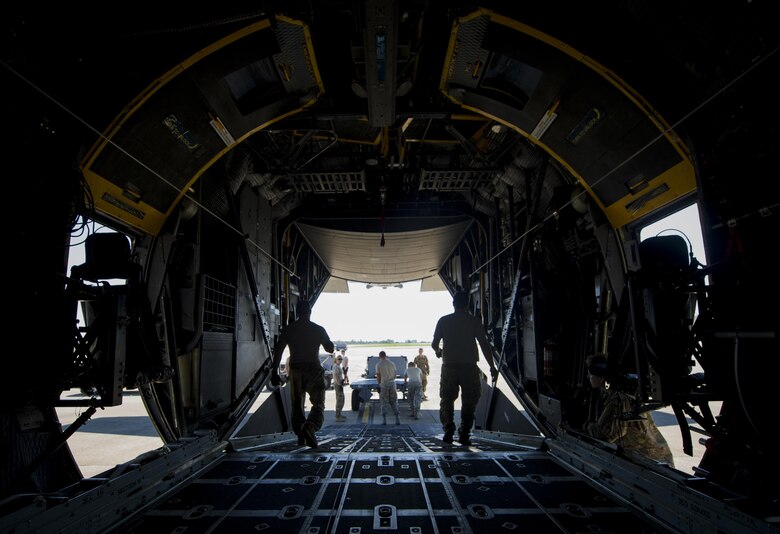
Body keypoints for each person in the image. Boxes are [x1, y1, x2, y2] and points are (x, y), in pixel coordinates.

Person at [431, 290, 498, 445]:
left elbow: (434, 344)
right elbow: (484, 345)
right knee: (470, 400)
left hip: (449, 367)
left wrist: (439, 352)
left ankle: (448, 429)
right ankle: (465, 433)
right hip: (469, 368)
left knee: (447, 399)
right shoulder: (473, 321)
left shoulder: (443, 321)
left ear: (453, 304)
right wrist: (492, 367)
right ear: (467, 305)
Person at [584, 355, 674, 465]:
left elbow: (604, 434)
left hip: (651, 462)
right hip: (647, 459)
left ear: (601, 378)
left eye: (591, 373)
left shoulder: (618, 400)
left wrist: (586, 425)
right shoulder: (617, 395)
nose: (588, 376)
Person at [271, 300, 335, 448]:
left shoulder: (289, 330)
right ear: (310, 312)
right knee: (318, 403)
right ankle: (310, 427)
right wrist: (328, 343)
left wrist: (274, 371)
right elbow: (330, 348)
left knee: (297, 406)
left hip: (295, 370)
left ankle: (301, 437)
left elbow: (278, 352)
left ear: (297, 311)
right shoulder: (318, 329)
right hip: (313, 368)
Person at [375, 350, 401, 425]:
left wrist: (379, 383)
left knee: (383, 402)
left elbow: (378, 375)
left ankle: (384, 420)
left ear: (379, 356)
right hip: (392, 383)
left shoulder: (378, 364)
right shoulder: (392, 363)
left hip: (384, 384)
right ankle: (397, 419)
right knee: (394, 401)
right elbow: (395, 374)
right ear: (385, 356)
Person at [332, 354, 347, 421]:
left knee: (342, 400)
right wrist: (339, 384)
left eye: (341, 359)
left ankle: (339, 414)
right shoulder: (336, 367)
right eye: (339, 359)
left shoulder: (338, 366)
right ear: (336, 360)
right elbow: (335, 375)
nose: (340, 360)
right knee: (339, 400)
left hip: (340, 384)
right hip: (338, 385)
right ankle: (338, 417)